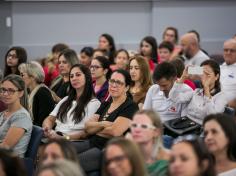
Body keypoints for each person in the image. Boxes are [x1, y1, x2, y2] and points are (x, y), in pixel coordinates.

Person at [74, 69, 139, 173]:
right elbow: (87, 127)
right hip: (91, 142)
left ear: (126, 87)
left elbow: (115, 132)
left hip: (108, 148)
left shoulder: (130, 106)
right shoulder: (105, 104)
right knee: (61, 151)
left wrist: (94, 128)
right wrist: (104, 124)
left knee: (73, 164)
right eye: (112, 81)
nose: (114, 85)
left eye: (118, 82)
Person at [43, 64, 101, 140]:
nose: (74, 78)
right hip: (56, 137)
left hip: (73, 142)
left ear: (87, 77)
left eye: (78, 75)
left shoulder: (94, 103)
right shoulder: (66, 99)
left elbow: (86, 133)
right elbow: (50, 119)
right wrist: (47, 129)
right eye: (71, 76)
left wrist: (63, 138)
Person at [169, 59, 227, 125]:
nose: (204, 77)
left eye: (207, 74)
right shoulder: (196, 92)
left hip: (202, 131)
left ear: (216, 76)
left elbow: (213, 117)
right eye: (202, 73)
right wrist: (183, 78)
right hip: (185, 125)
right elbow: (174, 98)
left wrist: (206, 90)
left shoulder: (221, 96)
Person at [0, 74, 32, 157]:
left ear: (20, 93)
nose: (5, 94)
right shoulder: (3, 114)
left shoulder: (21, 117)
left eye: (11, 90)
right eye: (3, 89)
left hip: (10, 164)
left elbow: (5, 148)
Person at [130, 110, 170, 176]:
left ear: (156, 132)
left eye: (144, 126)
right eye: (134, 125)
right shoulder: (126, 157)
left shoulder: (169, 161)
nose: (137, 130)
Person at [19, 62, 55, 126]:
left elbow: (42, 122)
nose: (20, 78)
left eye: (22, 75)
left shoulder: (42, 93)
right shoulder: (30, 92)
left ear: (33, 76)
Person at [220, 39, 236, 107]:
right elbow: (202, 70)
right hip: (212, 106)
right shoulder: (218, 67)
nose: (228, 53)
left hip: (229, 110)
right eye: (226, 50)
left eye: (232, 51)